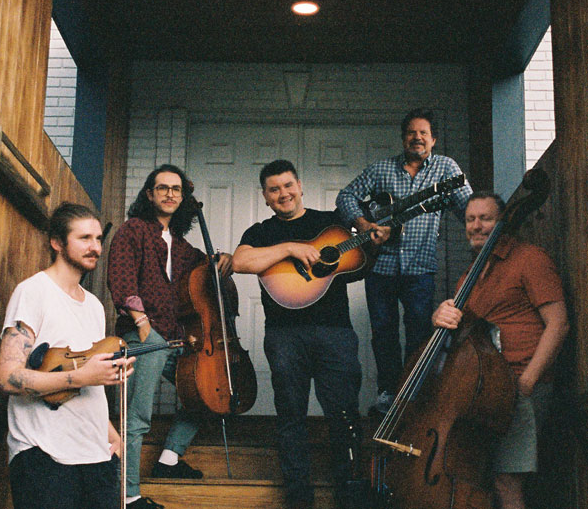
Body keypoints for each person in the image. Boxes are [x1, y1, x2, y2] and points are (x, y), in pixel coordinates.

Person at [232, 159, 388, 509]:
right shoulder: (260, 232)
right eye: (274, 189)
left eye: (288, 185)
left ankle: (350, 492)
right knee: (291, 416)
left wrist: (375, 242)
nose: (283, 193)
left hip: (335, 332)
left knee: (344, 414)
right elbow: (240, 262)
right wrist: (290, 248)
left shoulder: (330, 224)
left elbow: (358, 263)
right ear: (266, 197)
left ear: (300, 186)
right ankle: (299, 497)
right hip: (284, 337)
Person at [432, 191, 569, 509]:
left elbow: (559, 324)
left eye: (485, 218)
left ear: (502, 222)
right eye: (469, 219)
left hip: (519, 385)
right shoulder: (469, 277)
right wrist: (441, 316)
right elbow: (463, 337)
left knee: (508, 480)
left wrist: (528, 382)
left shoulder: (529, 259)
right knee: (482, 479)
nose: (476, 226)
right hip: (482, 394)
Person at [107, 164, 232, 509]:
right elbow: (121, 277)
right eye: (162, 188)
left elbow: (207, 266)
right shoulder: (133, 229)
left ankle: (169, 458)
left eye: (176, 189)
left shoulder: (180, 245)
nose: (170, 194)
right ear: (149, 194)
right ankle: (128, 495)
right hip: (144, 334)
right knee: (137, 417)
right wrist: (143, 325)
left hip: (176, 337)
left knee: (209, 393)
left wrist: (223, 260)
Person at [0, 202, 135, 509]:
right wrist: (79, 377)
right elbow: (7, 377)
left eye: (99, 239)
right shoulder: (33, 292)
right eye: (84, 238)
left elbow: (90, 384)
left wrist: (112, 435)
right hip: (44, 456)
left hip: (95, 453)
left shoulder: (95, 306)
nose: (96, 247)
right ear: (57, 243)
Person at [336, 108, 472, 413]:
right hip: (380, 266)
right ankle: (387, 393)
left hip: (420, 268)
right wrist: (365, 225)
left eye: (424, 133)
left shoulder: (447, 169)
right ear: (403, 138)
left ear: (434, 139)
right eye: (412, 132)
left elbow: (468, 210)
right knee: (383, 332)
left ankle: (413, 395)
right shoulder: (381, 170)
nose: (417, 138)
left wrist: (486, 229)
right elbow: (346, 197)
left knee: (419, 331)